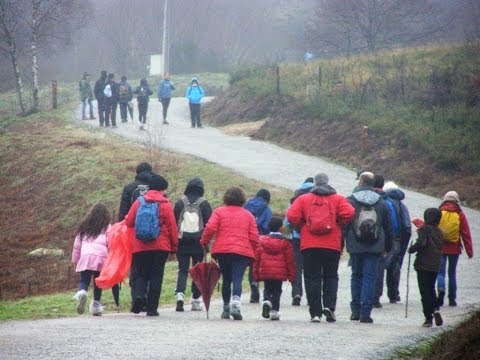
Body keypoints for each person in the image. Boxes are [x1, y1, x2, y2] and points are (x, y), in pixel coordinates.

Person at [287, 173, 355, 323]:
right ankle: (329, 307)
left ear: (315, 184)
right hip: (331, 245)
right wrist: (338, 222)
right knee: (331, 276)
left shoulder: (304, 199)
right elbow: (349, 212)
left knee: (312, 277)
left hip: (309, 244)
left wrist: (302, 225)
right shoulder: (337, 198)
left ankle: (315, 313)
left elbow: (291, 215)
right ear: (327, 182)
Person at [200, 187, 259, 320]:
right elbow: (254, 237)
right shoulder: (248, 215)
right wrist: (253, 251)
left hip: (223, 251)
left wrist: (204, 242)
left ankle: (226, 308)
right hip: (242, 252)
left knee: (226, 278)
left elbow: (210, 228)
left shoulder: (219, 212)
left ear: (226, 198)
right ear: (242, 199)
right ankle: (236, 304)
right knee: (237, 277)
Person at [125, 174, 178, 316]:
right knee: (156, 276)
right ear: (161, 189)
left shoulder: (139, 202)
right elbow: (172, 227)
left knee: (141, 274)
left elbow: (129, 222)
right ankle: (152, 309)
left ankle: (139, 297)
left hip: (140, 245)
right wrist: (174, 247)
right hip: (160, 247)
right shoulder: (165, 204)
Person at [344, 172, 393, 323]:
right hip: (375, 244)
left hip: (355, 244)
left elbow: (344, 224)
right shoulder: (381, 202)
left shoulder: (351, 201)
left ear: (360, 181)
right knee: (370, 278)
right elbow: (388, 226)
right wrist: (388, 246)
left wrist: (341, 243)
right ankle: (366, 312)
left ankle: (355, 311)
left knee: (356, 276)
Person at [174, 177, 212, 312]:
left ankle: (180, 295)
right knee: (198, 271)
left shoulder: (180, 202)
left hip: (182, 241)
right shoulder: (204, 203)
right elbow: (209, 225)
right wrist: (207, 243)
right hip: (199, 242)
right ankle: (196, 300)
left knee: (182, 270)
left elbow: (174, 224)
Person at [372, 175, 412, 307]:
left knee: (380, 267)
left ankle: (376, 294)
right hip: (396, 240)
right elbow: (406, 226)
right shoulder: (401, 205)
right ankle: (393, 295)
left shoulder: (385, 201)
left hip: (385, 238)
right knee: (394, 268)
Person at [71, 203, 111, 316]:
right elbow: (110, 243)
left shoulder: (83, 226)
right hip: (101, 257)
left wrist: (75, 260)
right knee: (98, 282)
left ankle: (82, 292)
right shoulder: (107, 226)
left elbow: (77, 246)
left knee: (84, 279)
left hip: (86, 256)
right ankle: (96, 306)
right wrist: (111, 258)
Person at [253, 216, 295, 321]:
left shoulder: (261, 240)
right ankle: (275, 311)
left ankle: (266, 301)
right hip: (279, 272)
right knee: (277, 290)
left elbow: (256, 258)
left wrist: (255, 274)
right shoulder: (286, 242)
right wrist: (292, 275)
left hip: (265, 270)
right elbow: (290, 260)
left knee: (267, 288)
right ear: (281, 228)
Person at [408, 208, 444, 327]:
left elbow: (422, 243)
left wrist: (412, 249)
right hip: (435, 264)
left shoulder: (424, 229)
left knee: (424, 291)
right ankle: (435, 309)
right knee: (431, 288)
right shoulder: (439, 232)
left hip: (423, 264)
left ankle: (428, 318)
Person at [436, 191, 473, 307]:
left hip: (441, 247)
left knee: (440, 272)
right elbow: (465, 233)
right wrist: (469, 251)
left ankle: (441, 289)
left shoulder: (439, 212)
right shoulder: (460, 214)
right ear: (457, 200)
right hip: (454, 248)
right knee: (452, 273)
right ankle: (452, 299)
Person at [284, 177, 314, 306]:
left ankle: (297, 293)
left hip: (296, 239)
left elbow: (286, 221)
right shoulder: (317, 198)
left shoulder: (295, 199)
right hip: (313, 239)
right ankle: (312, 296)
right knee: (311, 269)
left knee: (297, 267)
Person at [244, 189, 273, 303]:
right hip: (260, 240)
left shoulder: (246, 206)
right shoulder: (267, 210)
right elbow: (268, 226)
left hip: (247, 240)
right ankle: (256, 285)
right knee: (257, 266)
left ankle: (251, 289)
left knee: (246, 265)